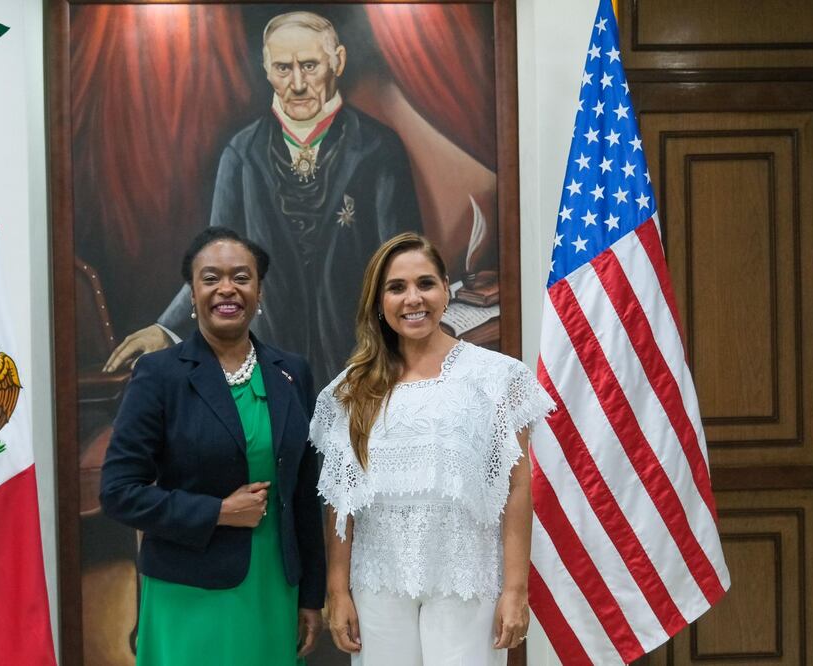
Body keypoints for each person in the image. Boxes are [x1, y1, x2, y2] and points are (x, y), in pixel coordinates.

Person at [104, 10, 423, 385]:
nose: (298, 83)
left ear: (337, 61)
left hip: (357, 358)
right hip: (266, 360)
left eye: (309, 65)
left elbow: (402, 264)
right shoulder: (240, 154)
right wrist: (167, 328)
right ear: (267, 70)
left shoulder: (378, 148)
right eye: (283, 68)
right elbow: (215, 259)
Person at [311, 233, 553, 665]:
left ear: (446, 288)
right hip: (378, 578)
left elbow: (517, 488)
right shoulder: (351, 390)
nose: (412, 298)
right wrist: (337, 588)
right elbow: (340, 502)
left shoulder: (498, 380)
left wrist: (516, 589)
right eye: (396, 287)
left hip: (465, 574)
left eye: (425, 283)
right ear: (378, 301)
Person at [100, 227, 325, 665]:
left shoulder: (291, 372)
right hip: (189, 586)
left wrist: (310, 596)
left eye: (242, 277)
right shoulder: (159, 375)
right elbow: (118, 492)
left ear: (259, 290)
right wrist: (218, 512)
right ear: (192, 294)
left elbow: (303, 493)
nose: (227, 289)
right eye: (211, 278)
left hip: (273, 588)